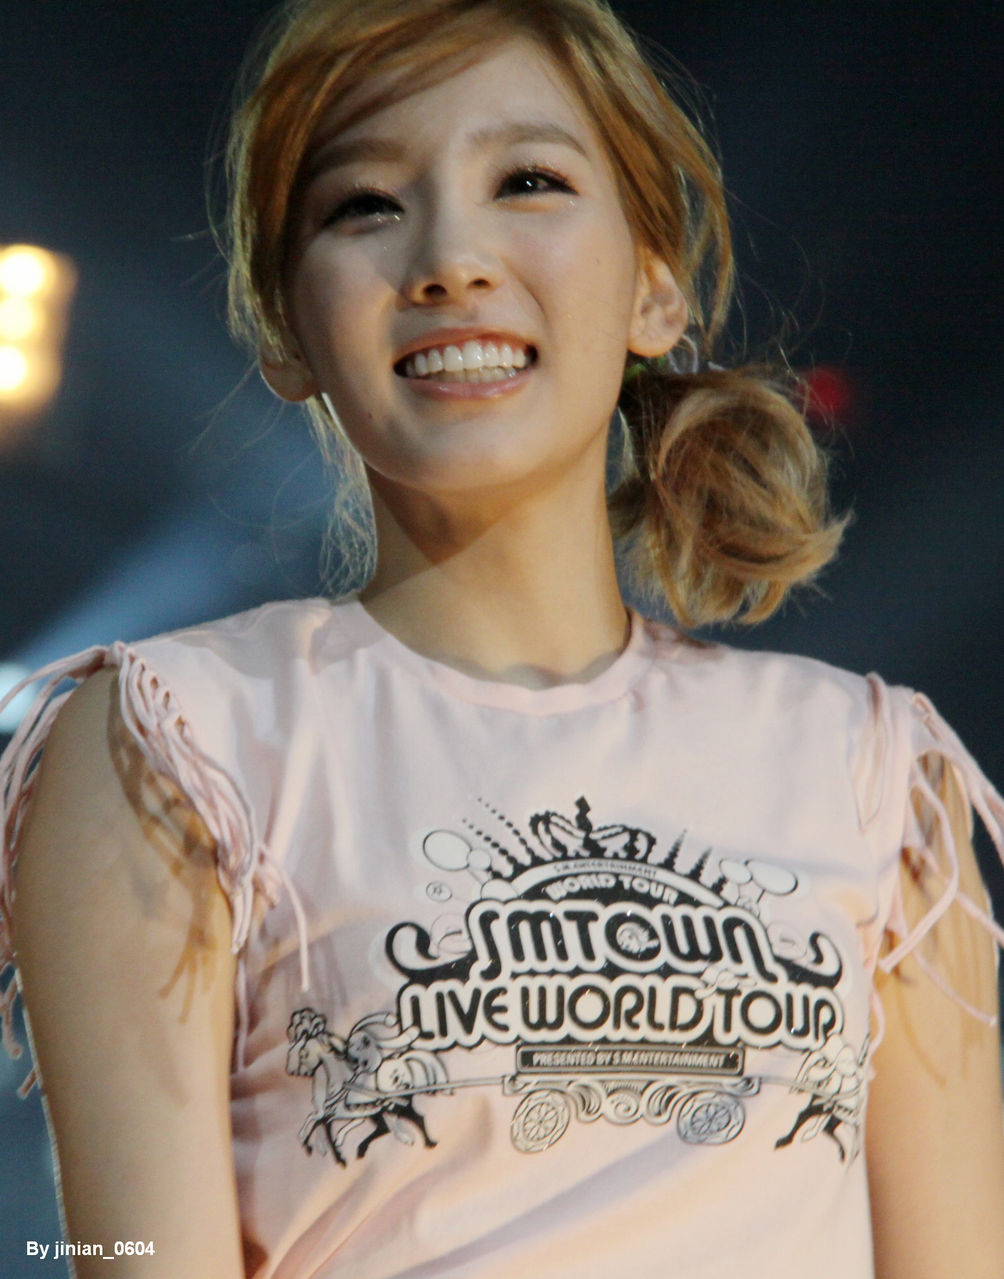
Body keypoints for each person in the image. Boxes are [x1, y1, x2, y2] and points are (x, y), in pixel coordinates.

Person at [1, 0, 1002, 1275]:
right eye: (364, 204)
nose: (449, 260)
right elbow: (129, 1248)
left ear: (654, 284)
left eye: (526, 181)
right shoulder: (171, 743)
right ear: (284, 328)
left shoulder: (867, 773)